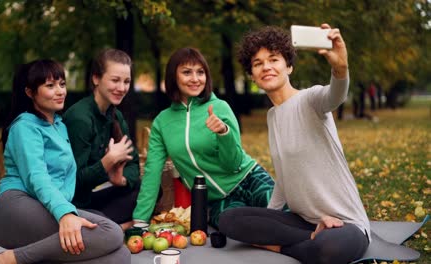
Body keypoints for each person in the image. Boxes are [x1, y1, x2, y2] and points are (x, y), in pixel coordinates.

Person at [219, 24, 370, 264]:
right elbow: (284, 175)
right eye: (257, 63)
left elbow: (335, 95)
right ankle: (308, 237)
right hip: (301, 221)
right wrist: (268, 218)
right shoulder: (272, 116)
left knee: (329, 248)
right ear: (252, 75)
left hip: (345, 222)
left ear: (288, 66)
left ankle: (283, 247)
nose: (266, 67)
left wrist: (340, 67)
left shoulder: (310, 100)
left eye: (273, 59)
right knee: (227, 220)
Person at [0, 59, 130, 264]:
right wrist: (65, 214)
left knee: (121, 256)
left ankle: (29, 259)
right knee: (111, 232)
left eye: (62, 84)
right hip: (18, 208)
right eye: (50, 85)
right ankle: (4, 259)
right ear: (30, 92)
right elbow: (37, 177)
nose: (60, 91)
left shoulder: (59, 126)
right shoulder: (25, 126)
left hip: (48, 208)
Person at [132, 47, 275, 228]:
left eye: (200, 72)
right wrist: (140, 220)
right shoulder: (162, 122)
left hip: (249, 178)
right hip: (214, 200)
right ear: (173, 77)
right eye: (186, 72)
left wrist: (224, 133)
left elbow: (233, 163)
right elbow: (152, 172)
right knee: (244, 227)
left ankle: (311, 245)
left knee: (285, 213)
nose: (195, 79)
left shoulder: (220, 107)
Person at [63, 49, 140, 231]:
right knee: (100, 222)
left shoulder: (116, 116)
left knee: (146, 190)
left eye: (126, 81)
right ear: (96, 79)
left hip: (94, 199)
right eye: (115, 80)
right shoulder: (80, 118)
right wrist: (107, 162)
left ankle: (111, 227)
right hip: (73, 206)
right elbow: (72, 181)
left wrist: (119, 180)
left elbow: (134, 163)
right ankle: (116, 228)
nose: (121, 88)